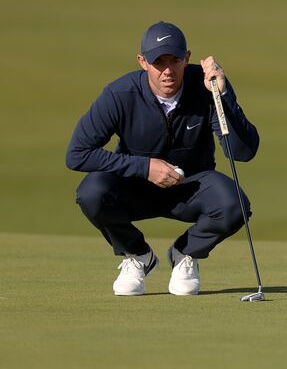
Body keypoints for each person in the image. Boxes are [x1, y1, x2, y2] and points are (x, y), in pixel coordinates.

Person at [66, 21, 260, 297]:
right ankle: (138, 255)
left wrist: (223, 95)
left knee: (234, 205)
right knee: (91, 194)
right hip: (135, 185)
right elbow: (77, 154)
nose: (168, 70)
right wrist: (144, 167)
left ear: (187, 58)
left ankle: (185, 254)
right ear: (142, 61)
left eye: (175, 60)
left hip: (191, 186)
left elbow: (242, 152)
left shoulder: (207, 89)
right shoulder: (120, 94)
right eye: (159, 62)